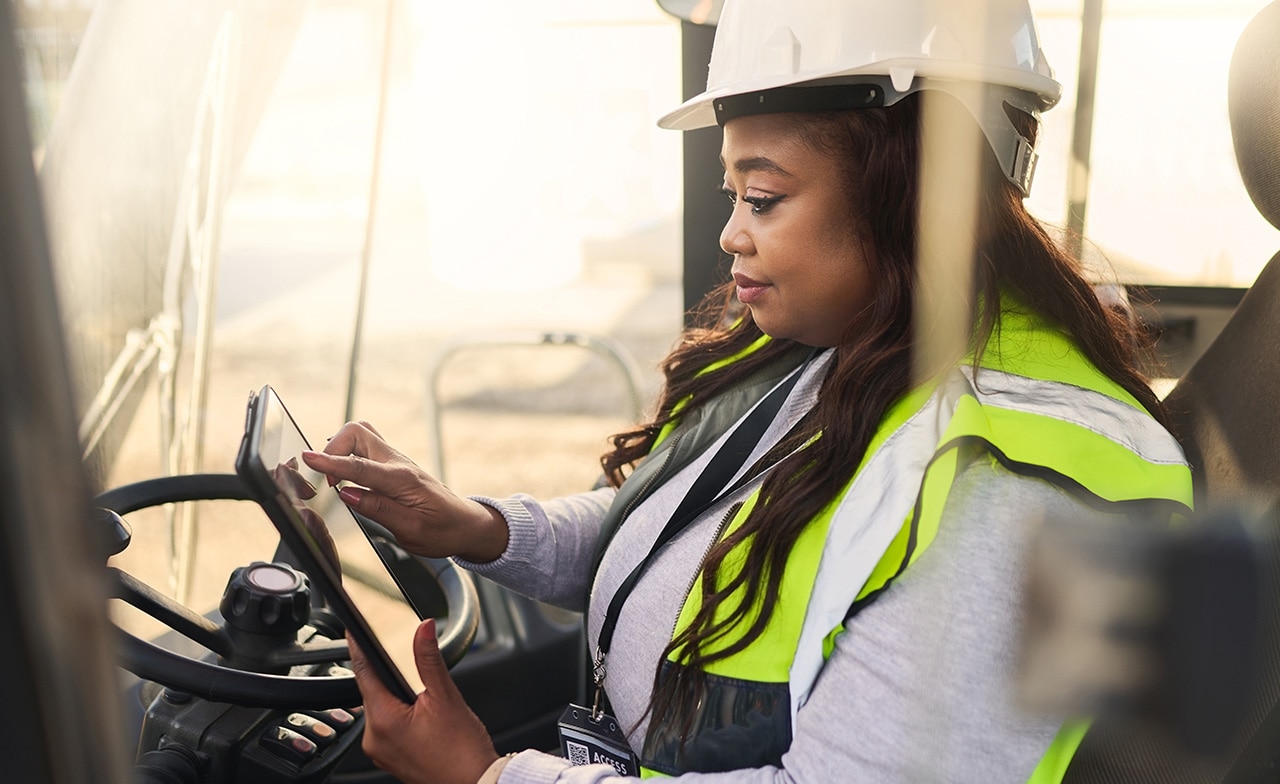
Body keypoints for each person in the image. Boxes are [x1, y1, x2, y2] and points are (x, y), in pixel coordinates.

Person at [302, 0, 1194, 781]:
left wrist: (486, 779)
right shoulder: (846, 343)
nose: (730, 236)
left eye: (762, 198)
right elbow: (674, 541)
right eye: (731, 194)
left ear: (920, 192)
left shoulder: (1015, 498)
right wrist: (482, 529)